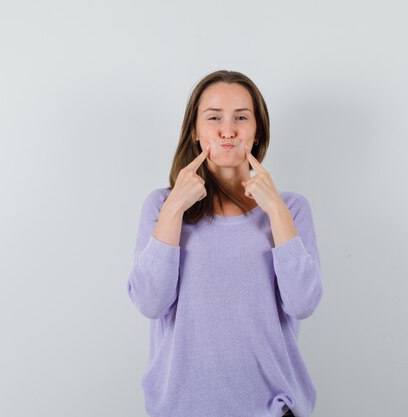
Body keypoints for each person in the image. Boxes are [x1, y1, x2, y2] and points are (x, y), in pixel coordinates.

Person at [126, 70, 323, 417]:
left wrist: (274, 208)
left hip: (273, 408)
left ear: (257, 129)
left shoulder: (290, 208)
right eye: (214, 117)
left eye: (241, 118)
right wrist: (174, 209)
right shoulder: (161, 205)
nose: (227, 130)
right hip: (181, 409)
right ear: (195, 131)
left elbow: (302, 303)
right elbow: (150, 302)